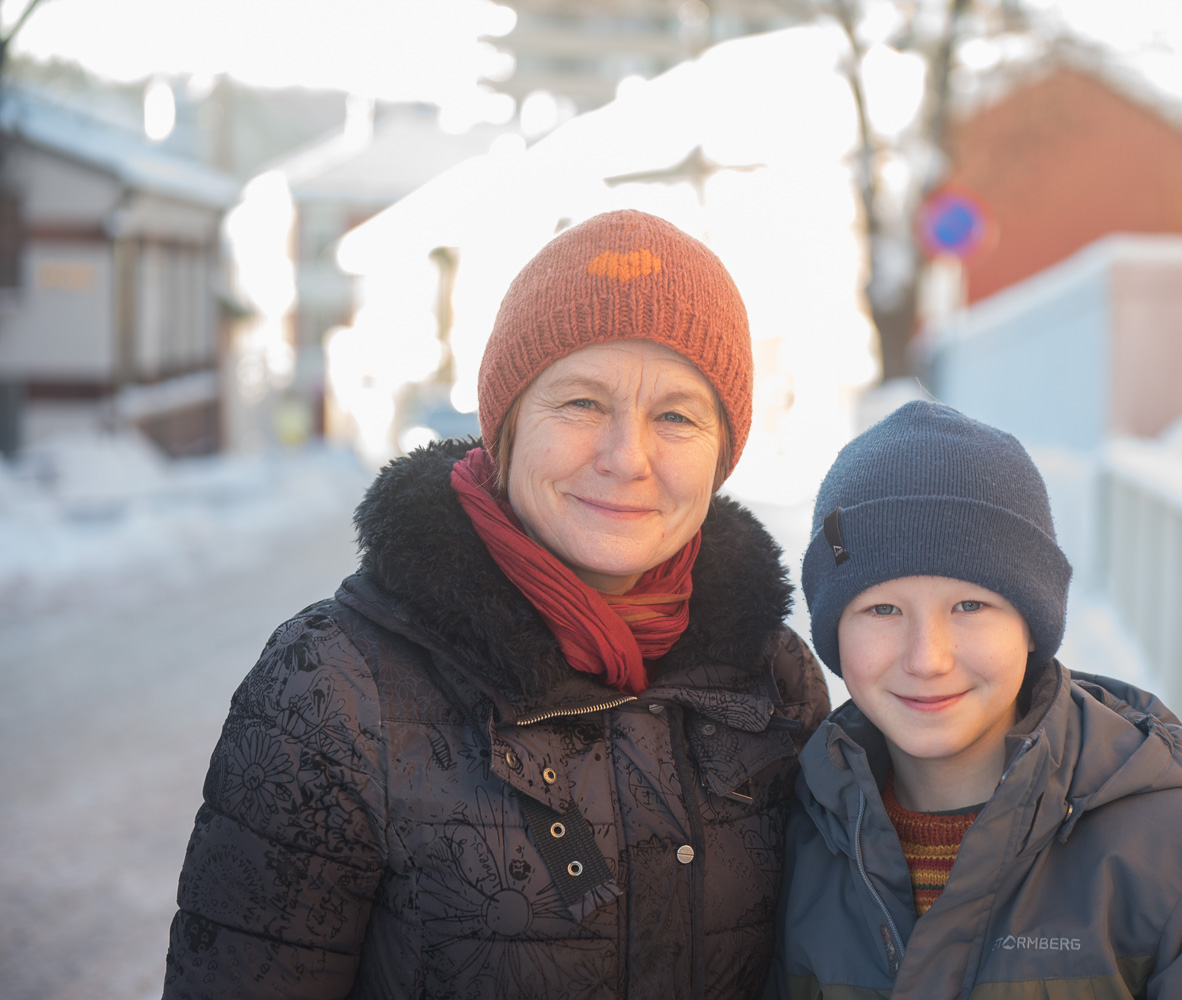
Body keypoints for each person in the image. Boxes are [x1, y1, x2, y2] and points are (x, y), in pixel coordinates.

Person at [164, 210, 830, 998]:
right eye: (581, 402)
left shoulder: (772, 680)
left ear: (724, 449)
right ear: (507, 426)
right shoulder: (334, 688)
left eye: (677, 416)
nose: (627, 457)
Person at [766, 401, 1182, 999]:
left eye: (970, 607)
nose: (928, 657)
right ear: (832, 634)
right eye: (882, 610)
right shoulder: (791, 854)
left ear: (1032, 627)